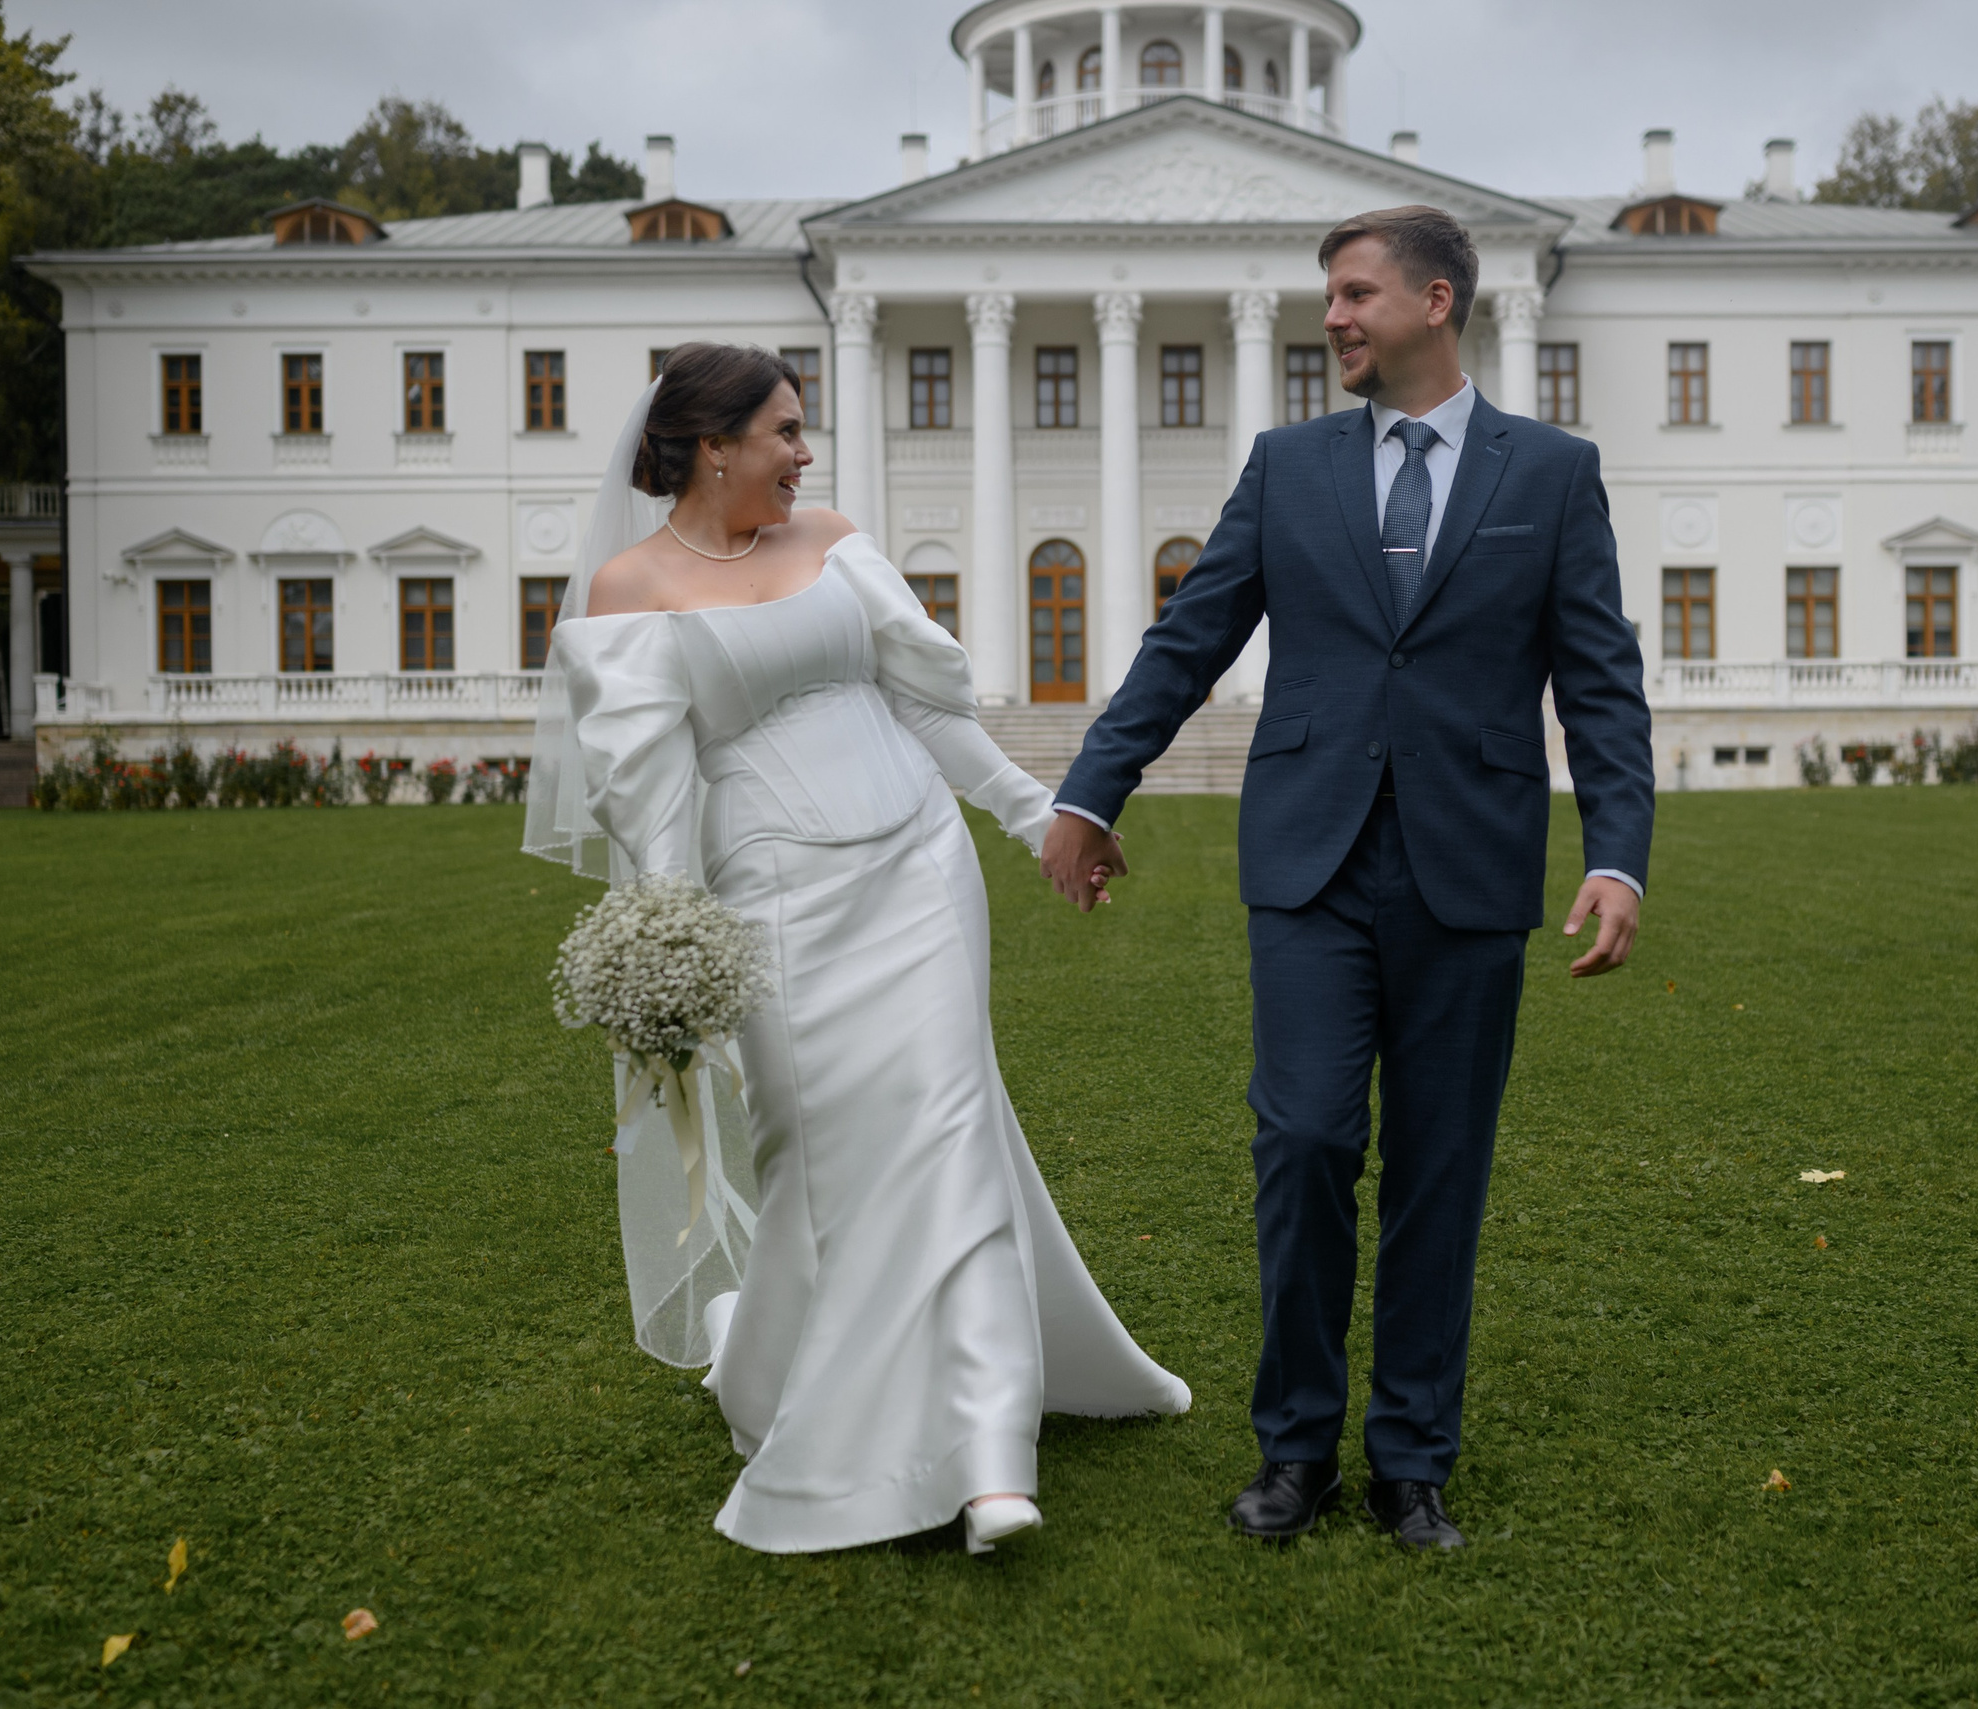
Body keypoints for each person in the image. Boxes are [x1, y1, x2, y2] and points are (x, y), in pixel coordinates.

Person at [1040, 207, 1655, 1550]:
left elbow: (1601, 679)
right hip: (1310, 861)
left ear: (1438, 301)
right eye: (1328, 295)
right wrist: (1094, 787)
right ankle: (1296, 1448)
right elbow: (1188, 640)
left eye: (1357, 294)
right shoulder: (1286, 466)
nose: (1333, 317)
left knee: (1443, 1169)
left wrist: (1617, 855)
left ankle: (1411, 1460)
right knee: (1307, 1140)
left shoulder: (1551, 473)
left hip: (1473, 870)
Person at [526, 343, 1189, 1556]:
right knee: (814, 1153)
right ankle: (774, 1369)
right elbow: (647, 795)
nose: (804, 453)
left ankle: (991, 1455)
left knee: (948, 1125)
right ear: (713, 444)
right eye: (784, 430)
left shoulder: (829, 536)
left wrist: (1039, 816)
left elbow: (927, 704)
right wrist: (672, 948)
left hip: (916, 868)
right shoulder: (628, 590)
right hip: (770, 897)